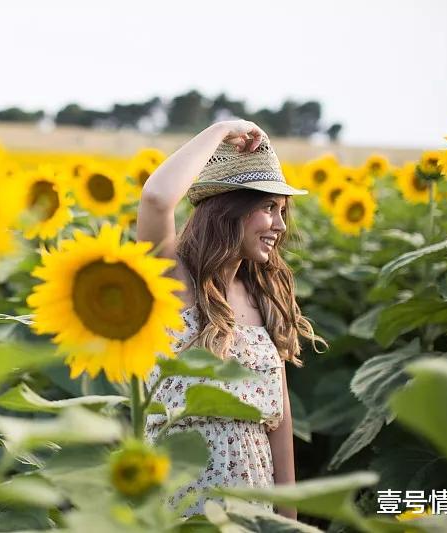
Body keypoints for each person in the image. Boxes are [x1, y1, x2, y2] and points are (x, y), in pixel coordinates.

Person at [137, 120, 327, 521]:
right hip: (181, 507)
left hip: (251, 508)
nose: (280, 225)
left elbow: (279, 424)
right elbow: (156, 198)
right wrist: (221, 129)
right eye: (267, 208)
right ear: (229, 210)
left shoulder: (263, 295)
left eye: (281, 210)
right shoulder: (174, 281)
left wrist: (286, 523)